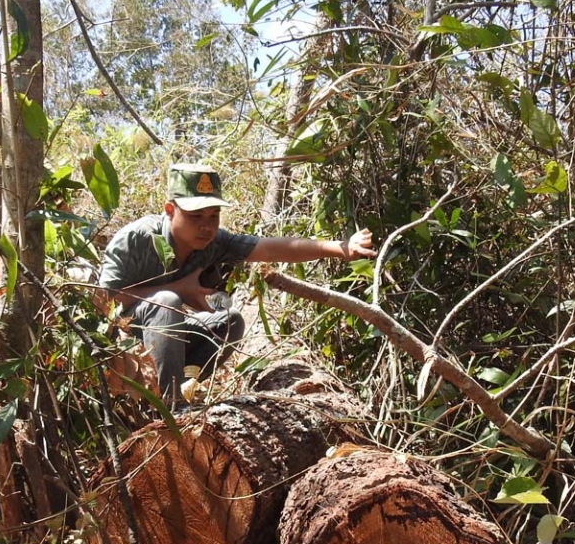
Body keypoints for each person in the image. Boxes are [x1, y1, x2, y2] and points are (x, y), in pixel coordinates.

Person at [97, 162, 377, 405]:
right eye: (195, 217)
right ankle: (172, 406)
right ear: (170, 210)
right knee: (168, 301)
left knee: (229, 322)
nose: (206, 226)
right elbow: (103, 300)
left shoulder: (214, 242)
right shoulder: (137, 238)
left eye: (213, 216)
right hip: (121, 349)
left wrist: (341, 248)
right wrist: (179, 290)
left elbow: (272, 249)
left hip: (163, 344)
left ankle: (180, 389)